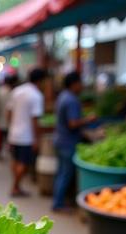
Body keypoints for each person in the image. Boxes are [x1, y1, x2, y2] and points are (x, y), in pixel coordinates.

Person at [52, 71, 96, 211]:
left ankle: (58, 200)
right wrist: (88, 120)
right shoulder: (71, 100)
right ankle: (58, 203)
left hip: (60, 140)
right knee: (66, 174)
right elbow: (72, 123)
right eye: (80, 83)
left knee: (61, 173)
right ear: (74, 84)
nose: (82, 86)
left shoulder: (62, 96)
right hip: (68, 142)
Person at [7, 67, 47, 197]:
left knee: (15, 160)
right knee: (23, 163)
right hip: (26, 136)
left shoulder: (17, 91)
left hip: (14, 133)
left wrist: (10, 129)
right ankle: (15, 187)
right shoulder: (36, 96)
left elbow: (9, 112)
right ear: (40, 80)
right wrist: (37, 139)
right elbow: (35, 120)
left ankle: (17, 186)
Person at [0, 73, 18, 160]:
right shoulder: (13, 92)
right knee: (8, 138)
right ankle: (10, 153)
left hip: (0, 117)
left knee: (0, 137)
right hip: (10, 120)